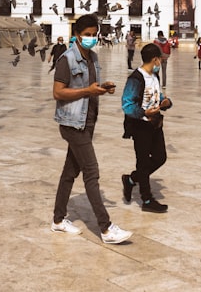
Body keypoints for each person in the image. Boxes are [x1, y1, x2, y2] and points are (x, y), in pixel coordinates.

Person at [51, 14, 131, 245]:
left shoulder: (93, 58)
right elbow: (58, 92)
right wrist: (88, 91)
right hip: (72, 124)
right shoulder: (67, 59)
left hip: (87, 122)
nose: (91, 38)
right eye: (86, 35)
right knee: (92, 173)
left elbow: (90, 87)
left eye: (94, 34)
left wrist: (103, 87)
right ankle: (106, 229)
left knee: (69, 173)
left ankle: (58, 220)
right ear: (76, 35)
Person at [121, 43, 172, 213]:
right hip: (140, 126)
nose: (161, 62)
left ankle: (131, 179)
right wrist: (144, 112)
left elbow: (158, 96)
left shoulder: (154, 76)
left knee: (160, 157)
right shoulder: (136, 78)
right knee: (143, 162)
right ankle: (147, 199)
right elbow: (127, 105)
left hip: (155, 123)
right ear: (155, 59)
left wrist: (166, 103)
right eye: (160, 59)